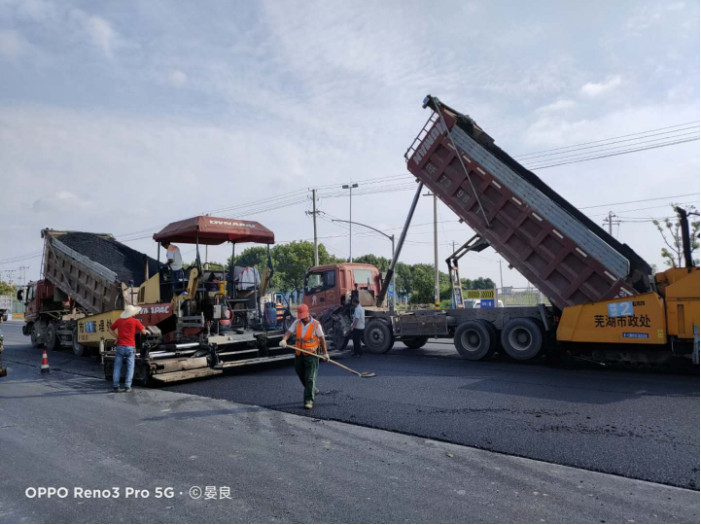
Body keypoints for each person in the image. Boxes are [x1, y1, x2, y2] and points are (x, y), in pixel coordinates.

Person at [280, 303, 329, 409]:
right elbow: (289, 332)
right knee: (299, 372)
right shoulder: (297, 322)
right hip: (299, 353)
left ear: (307, 314)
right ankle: (313, 389)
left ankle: (309, 400)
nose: (302, 319)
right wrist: (284, 339)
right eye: (300, 317)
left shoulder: (316, 324)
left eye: (304, 317)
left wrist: (325, 353)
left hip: (311, 354)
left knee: (310, 378)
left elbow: (322, 339)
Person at [109, 304, 149, 393]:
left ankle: (115, 386)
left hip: (120, 347)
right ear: (132, 313)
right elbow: (144, 333)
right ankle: (127, 386)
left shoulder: (119, 321)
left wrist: (117, 337)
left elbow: (110, 329)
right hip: (130, 347)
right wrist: (144, 328)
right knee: (130, 368)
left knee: (117, 367)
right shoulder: (135, 321)